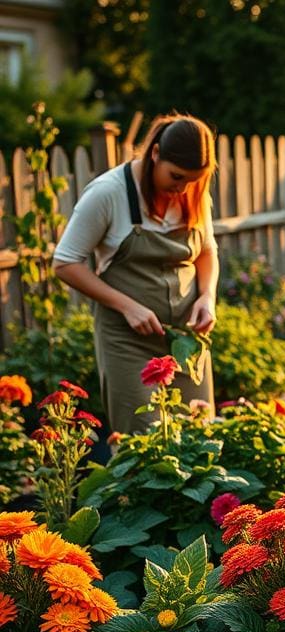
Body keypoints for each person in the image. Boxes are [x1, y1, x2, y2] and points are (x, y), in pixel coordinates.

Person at [54, 113, 219, 434]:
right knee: (143, 441)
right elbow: (65, 263)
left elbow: (207, 250)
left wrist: (207, 296)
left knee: (200, 437)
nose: (183, 188)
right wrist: (128, 306)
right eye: (176, 176)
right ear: (155, 153)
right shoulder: (107, 194)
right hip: (128, 343)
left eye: (193, 180)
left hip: (187, 341)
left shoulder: (194, 193)